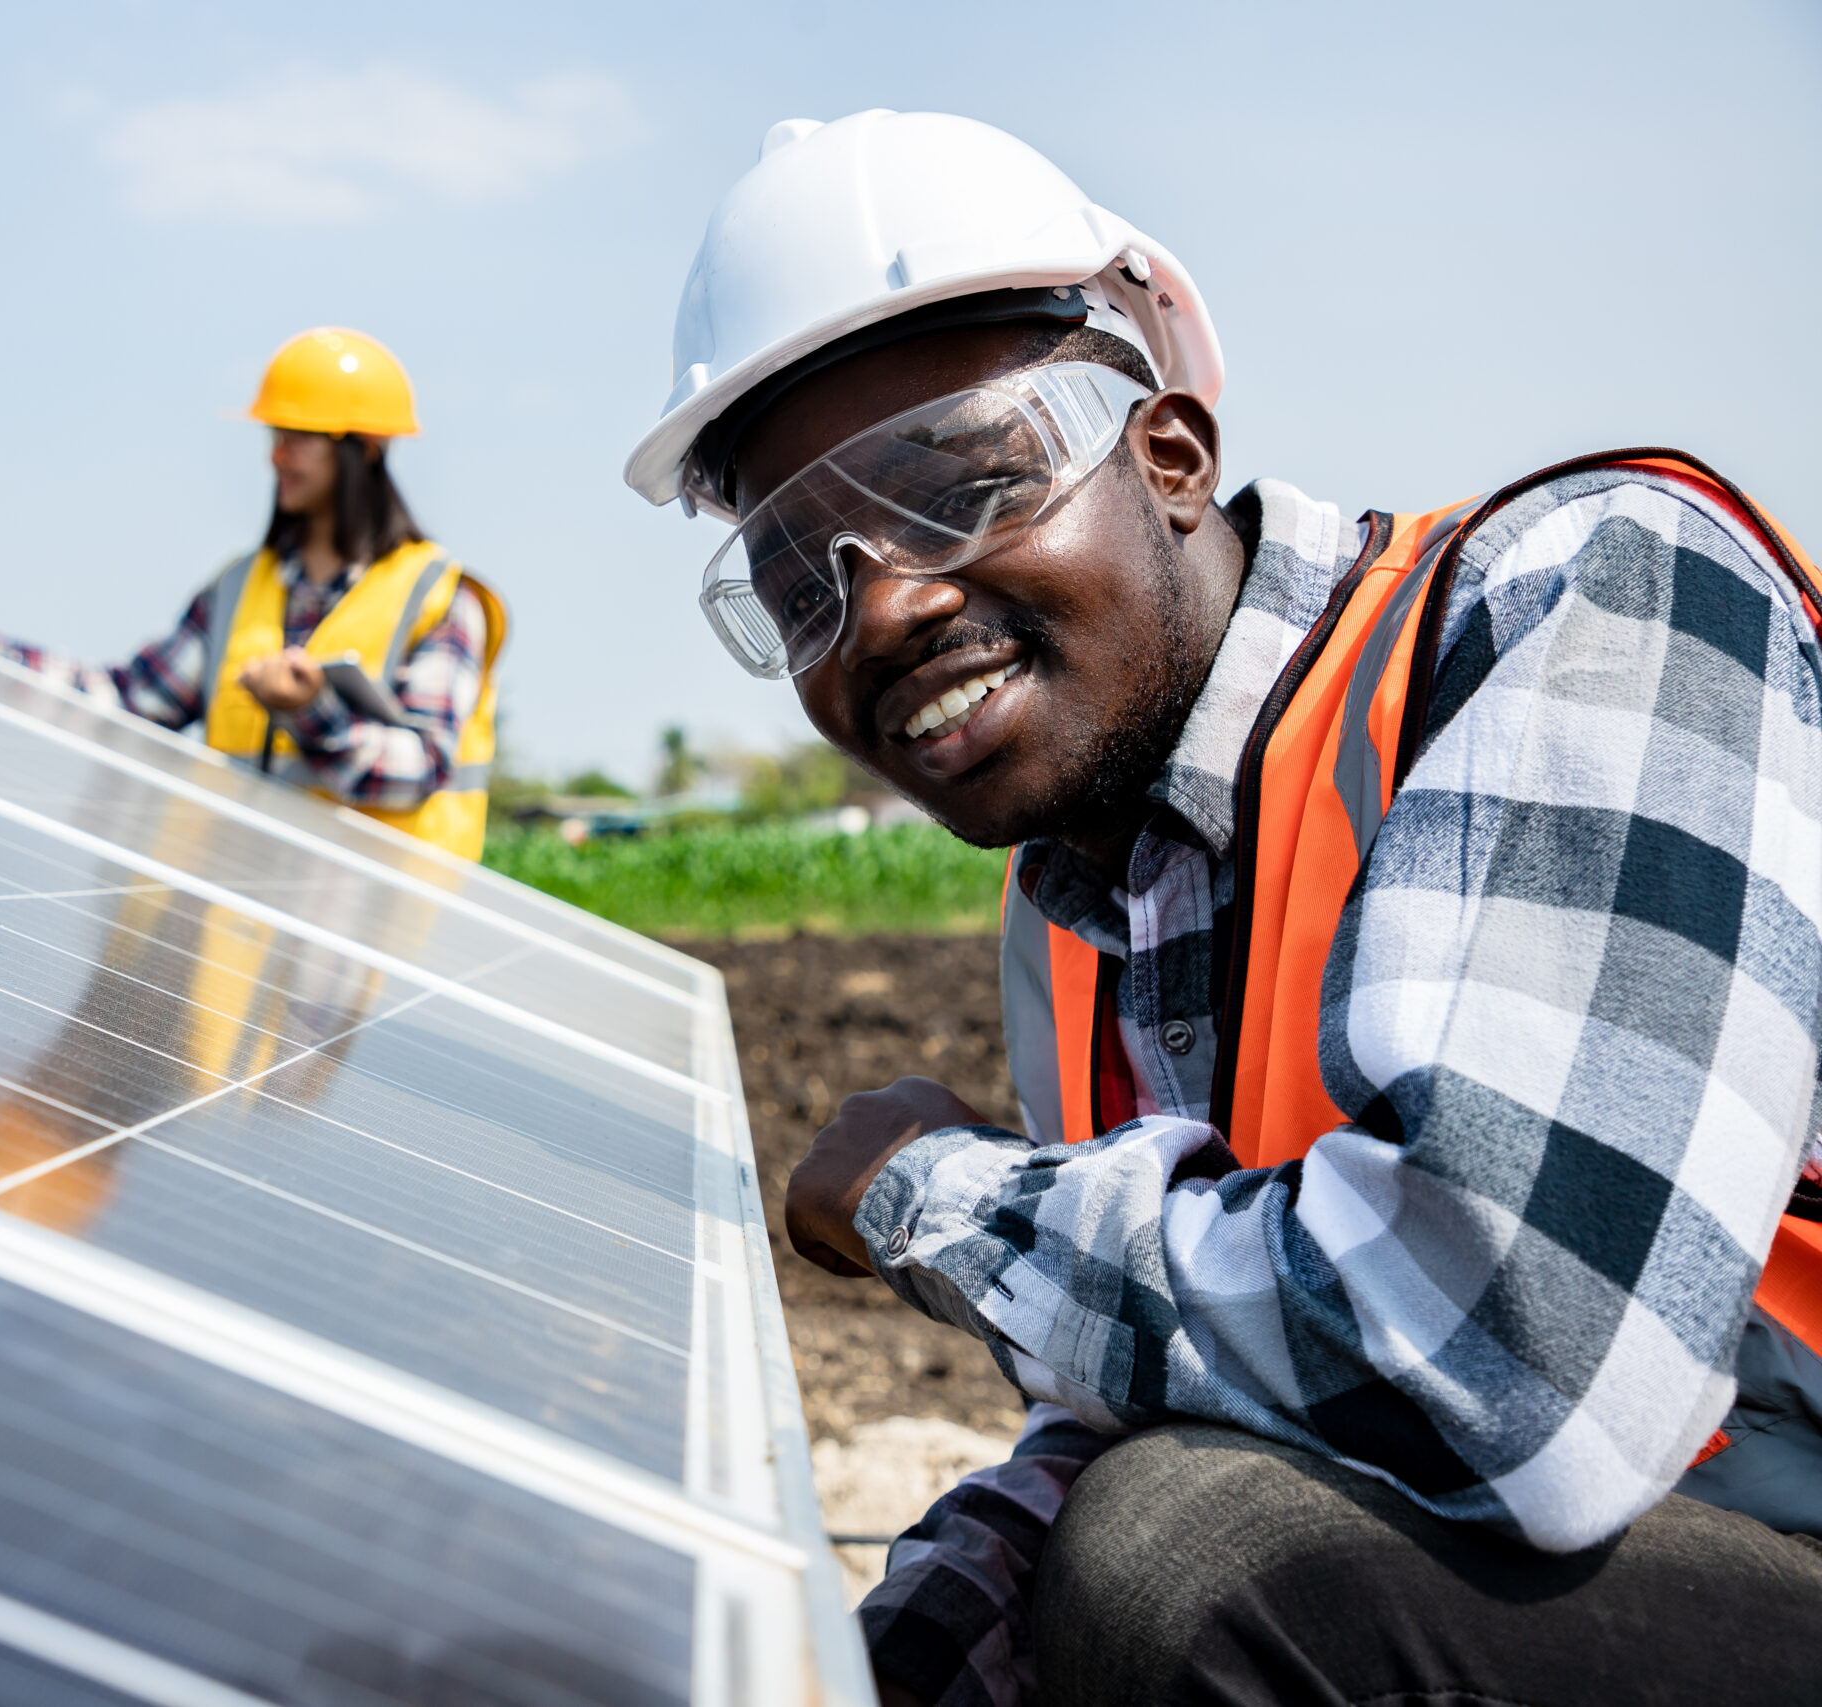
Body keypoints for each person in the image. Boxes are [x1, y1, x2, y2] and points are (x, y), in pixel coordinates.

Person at [625, 110, 1822, 1705]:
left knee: (1180, 1556)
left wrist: (940, 1196)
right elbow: (1171, 1391)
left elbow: (1522, 1359)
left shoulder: (1593, 597)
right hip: (1609, 1581)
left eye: (958, 483)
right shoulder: (1071, 904)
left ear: (1170, 453)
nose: (885, 605)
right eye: (798, 579)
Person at [0, 326, 507, 858]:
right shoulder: (236, 589)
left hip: (364, 947)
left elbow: (421, 772)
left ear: (367, 448)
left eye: (301, 436)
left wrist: (311, 713)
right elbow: (130, 699)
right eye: (276, 434)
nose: (277, 454)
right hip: (232, 932)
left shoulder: (440, 600)